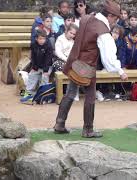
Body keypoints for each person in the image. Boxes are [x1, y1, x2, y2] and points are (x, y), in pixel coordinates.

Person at [53, 0, 128, 137]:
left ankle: (59, 123)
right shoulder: (103, 31)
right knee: (90, 96)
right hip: (87, 65)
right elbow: (109, 57)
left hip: (74, 60)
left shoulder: (86, 18)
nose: (115, 22)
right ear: (110, 15)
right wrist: (120, 70)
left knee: (70, 93)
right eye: (115, 18)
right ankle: (88, 129)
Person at [21, 30, 53, 103]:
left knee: (44, 79)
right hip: (37, 65)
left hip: (47, 66)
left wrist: (45, 70)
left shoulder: (48, 46)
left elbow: (48, 59)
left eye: (44, 39)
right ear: (36, 39)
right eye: (40, 39)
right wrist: (34, 67)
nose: (42, 41)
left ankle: (41, 96)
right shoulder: (33, 45)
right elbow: (33, 57)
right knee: (31, 76)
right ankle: (28, 95)